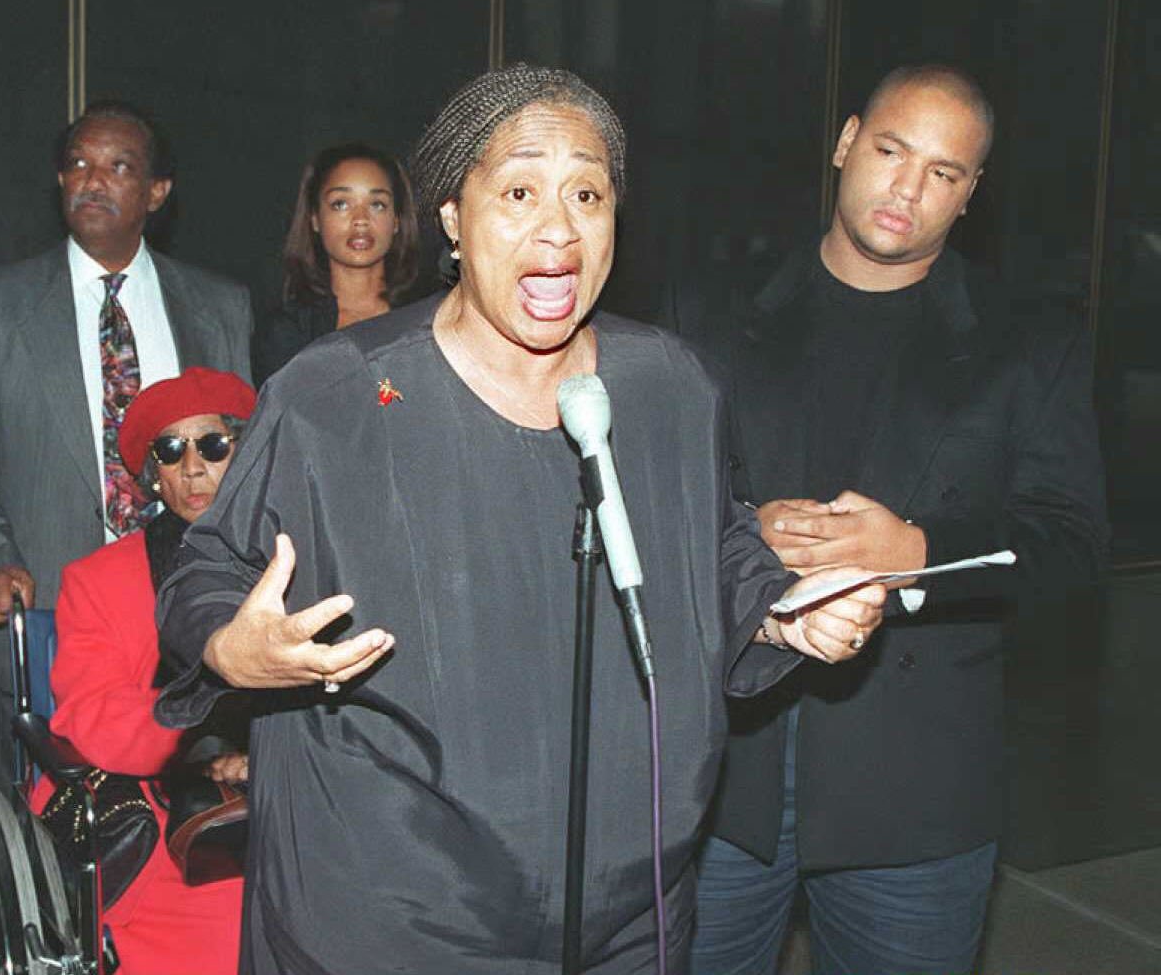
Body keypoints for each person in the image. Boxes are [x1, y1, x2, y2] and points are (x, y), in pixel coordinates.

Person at [154, 64, 886, 974]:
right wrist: (232, 647)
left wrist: (784, 611)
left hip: (629, 913)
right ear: (454, 219)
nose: (557, 227)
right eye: (517, 191)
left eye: (587, 192)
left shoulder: (669, 386)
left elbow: (715, 550)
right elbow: (204, 571)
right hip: (390, 915)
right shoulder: (334, 394)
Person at [666, 65, 1109, 974]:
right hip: (722, 778)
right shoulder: (706, 314)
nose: (907, 188)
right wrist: (746, 530)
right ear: (845, 142)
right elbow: (649, 508)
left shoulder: (1028, 339)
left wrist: (917, 554)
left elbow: (1070, 548)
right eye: (890, 151)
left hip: (915, 791)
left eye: (944, 172)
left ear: (971, 193)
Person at [0, 99, 254, 785]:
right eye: (77, 163)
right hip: (44, 603)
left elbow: (244, 456)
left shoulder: (220, 305)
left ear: (157, 192)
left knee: (200, 799)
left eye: (118, 166)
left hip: (193, 596)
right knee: (52, 810)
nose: (92, 180)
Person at [29, 367, 253, 973]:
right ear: (153, 474)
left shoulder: (301, 555)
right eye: (171, 451)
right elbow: (90, 713)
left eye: (213, 445)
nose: (193, 467)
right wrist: (205, 744)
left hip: (298, 801)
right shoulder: (97, 581)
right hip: (164, 823)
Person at [250, 142, 421, 381]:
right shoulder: (288, 331)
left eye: (377, 205)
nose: (360, 220)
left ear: (397, 220)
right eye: (341, 204)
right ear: (315, 219)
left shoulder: (432, 316)